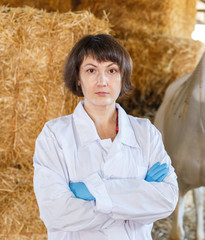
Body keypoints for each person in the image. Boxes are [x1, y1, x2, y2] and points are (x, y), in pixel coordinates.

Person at [33, 34, 178, 240]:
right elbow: (56, 212)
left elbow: (167, 200)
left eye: (112, 70)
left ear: (123, 77)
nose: (102, 81)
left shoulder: (146, 132)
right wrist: (136, 196)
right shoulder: (55, 135)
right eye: (91, 70)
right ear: (77, 78)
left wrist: (92, 192)